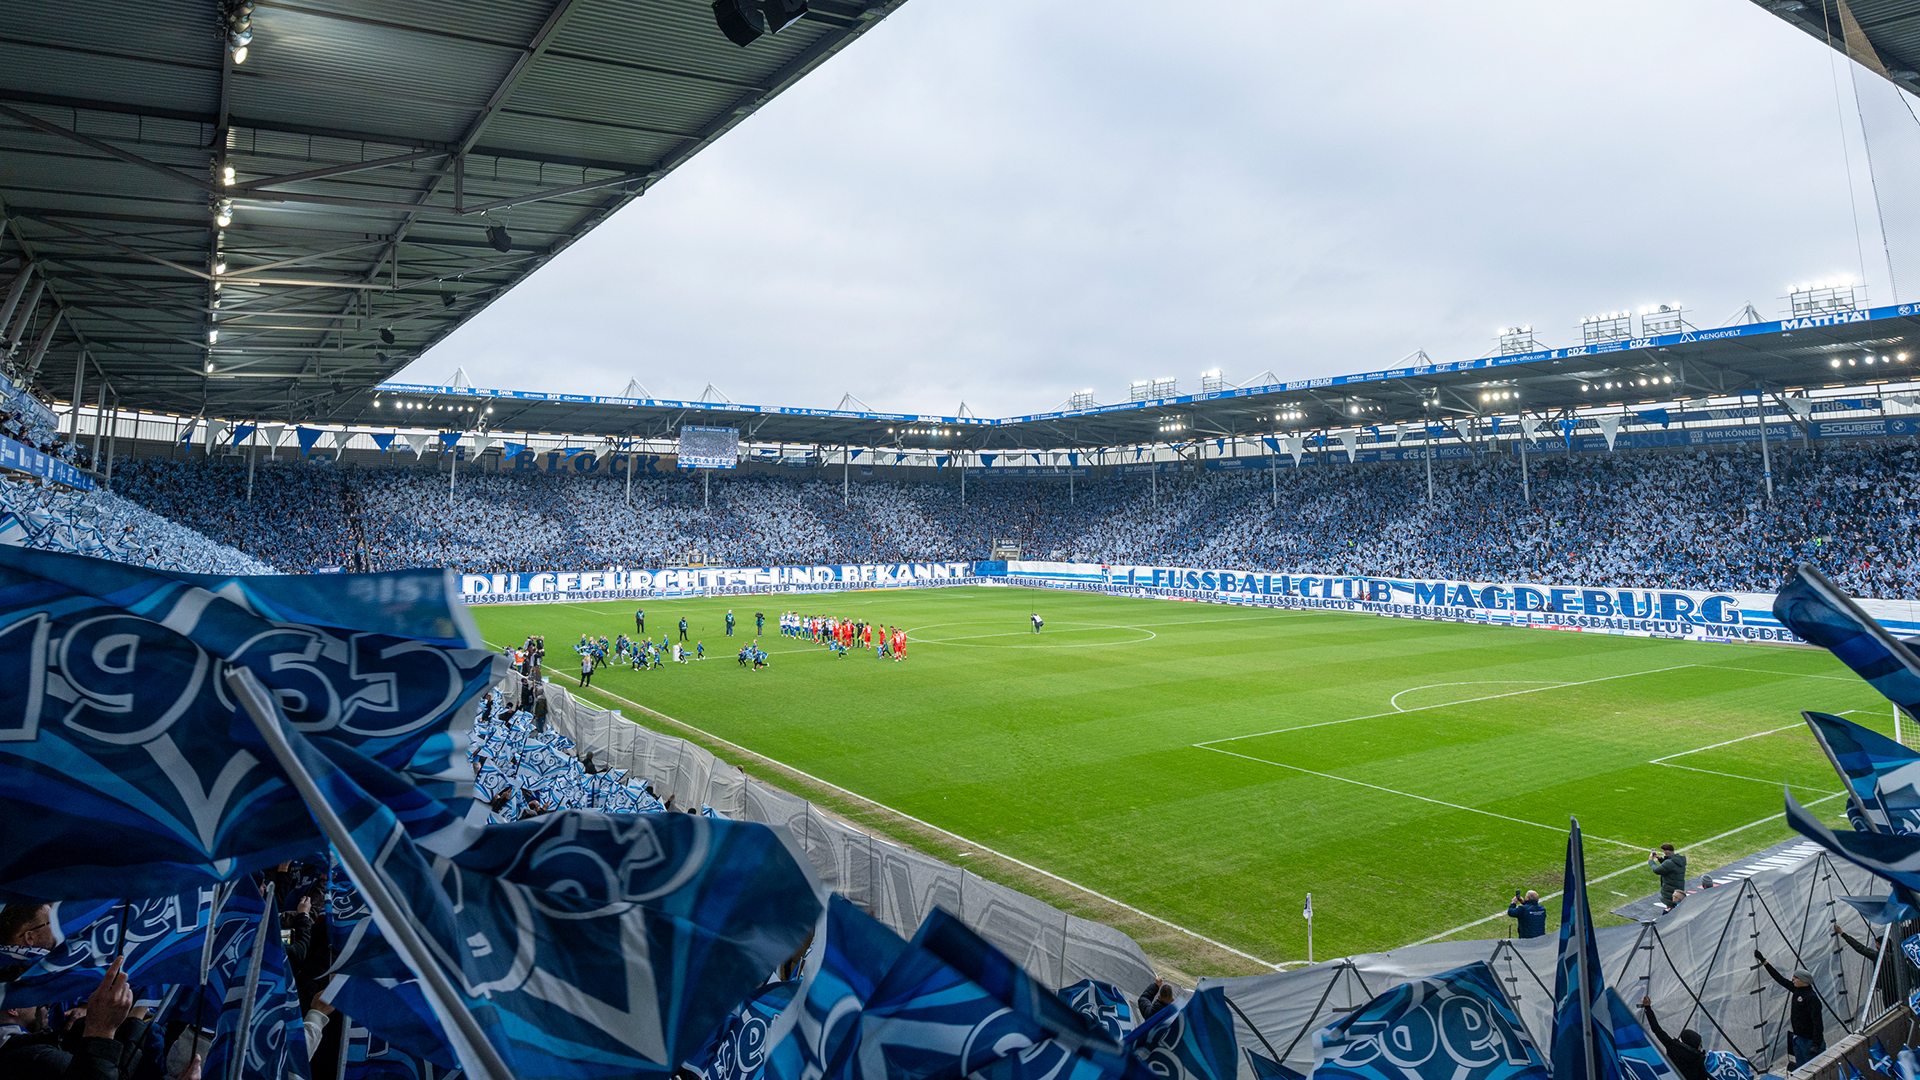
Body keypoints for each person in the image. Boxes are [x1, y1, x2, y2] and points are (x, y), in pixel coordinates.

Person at [1754, 950, 1826, 1068]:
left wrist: (1816, 1044)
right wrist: (1764, 961)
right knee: (1802, 1070)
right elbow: (1779, 979)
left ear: (1804, 981)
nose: (1793, 979)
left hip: (1809, 1042)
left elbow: (1817, 1022)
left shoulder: (1811, 998)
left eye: (1796, 978)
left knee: (1813, 1069)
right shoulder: (1797, 989)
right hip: (1798, 1039)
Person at [1638, 997, 1711, 1080]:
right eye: (1700, 1044)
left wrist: (1648, 1008)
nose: (1701, 1047)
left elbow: (1657, 1029)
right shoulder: (1700, 1060)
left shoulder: (1673, 1046)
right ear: (1694, 1043)